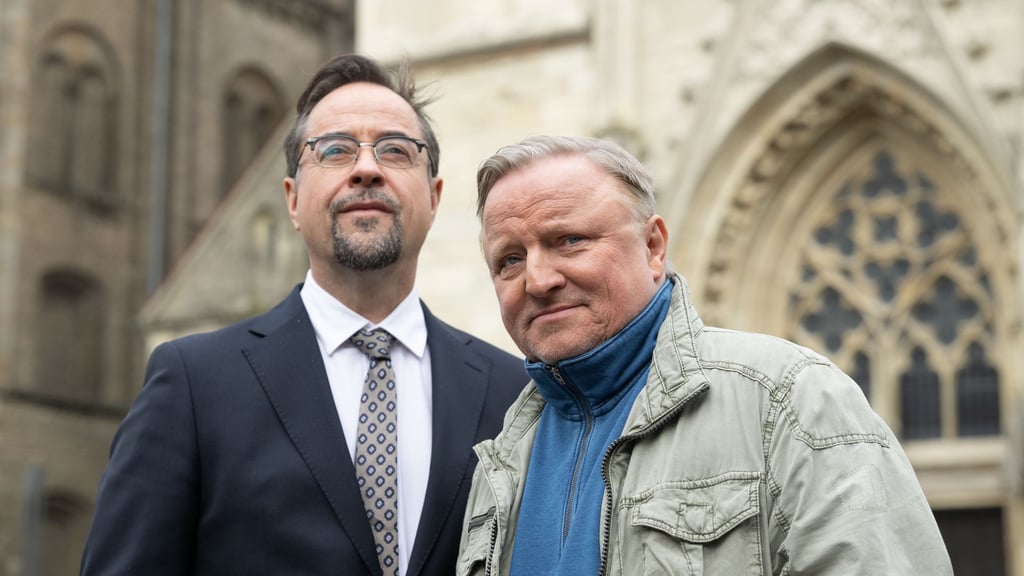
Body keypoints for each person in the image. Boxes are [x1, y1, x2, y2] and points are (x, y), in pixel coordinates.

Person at [80, 54, 526, 576]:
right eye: (335, 150)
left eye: (396, 150)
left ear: (433, 197)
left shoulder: (512, 394)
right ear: (292, 201)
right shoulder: (193, 384)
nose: (366, 168)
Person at [456, 135, 953, 575]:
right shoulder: (500, 463)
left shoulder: (790, 400)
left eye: (570, 241)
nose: (538, 280)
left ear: (653, 247)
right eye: (510, 260)